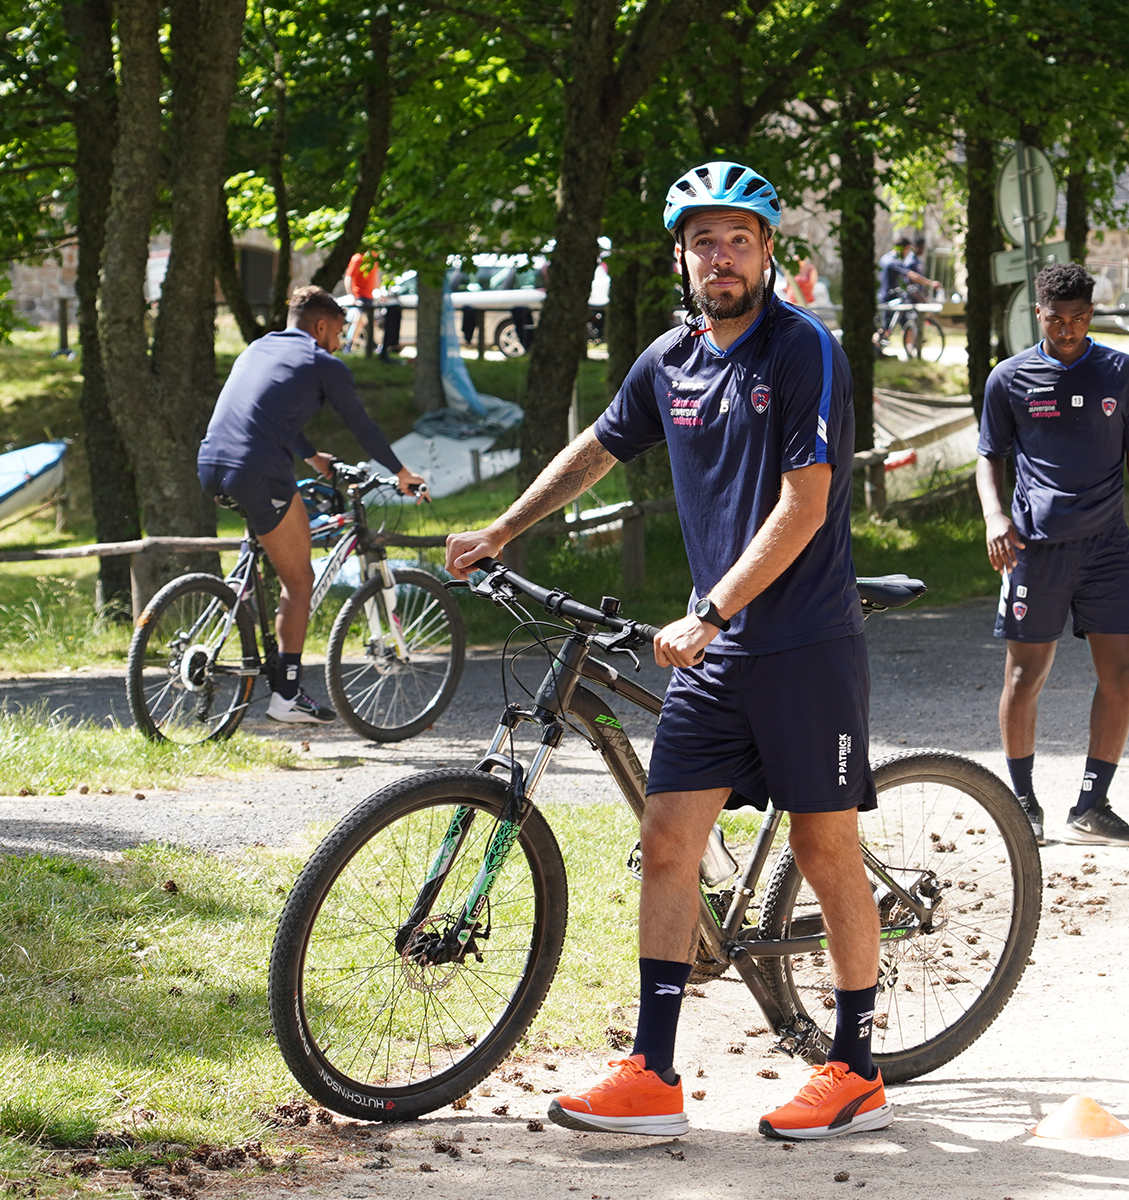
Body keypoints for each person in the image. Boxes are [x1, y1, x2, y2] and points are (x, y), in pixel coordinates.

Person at [445, 161, 891, 1142]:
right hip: (717, 653)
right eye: (703, 241)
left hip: (801, 644)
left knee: (825, 850)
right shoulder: (671, 360)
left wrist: (715, 611)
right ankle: (651, 1072)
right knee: (665, 845)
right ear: (680, 256)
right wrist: (504, 527)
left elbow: (804, 503)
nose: (720, 257)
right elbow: (600, 447)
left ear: (768, 250)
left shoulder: (800, 351)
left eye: (738, 239)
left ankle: (855, 1068)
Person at [976, 261, 1129, 848]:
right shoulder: (1009, 378)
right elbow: (989, 457)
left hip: (1108, 548)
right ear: (1038, 313)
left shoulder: (1123, 373)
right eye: (1057, 319)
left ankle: (1091, 804)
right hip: (1035, 550)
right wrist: (994, 517)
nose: (1067, 329)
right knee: (1025, 674)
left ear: (1092, 314)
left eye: (1079, 319)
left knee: (1124, 672)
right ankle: (1022, 802)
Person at [197, 285, 425, 723]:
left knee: (276, 547)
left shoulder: (258, 350)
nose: (339, 343)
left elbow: (266, 412)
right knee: (299, 581)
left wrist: (312, 456)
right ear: (321, 326)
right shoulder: (323, 362)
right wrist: (401, 471)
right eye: (339, 333)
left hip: (211, 465)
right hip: (261, 470)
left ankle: (237, 614)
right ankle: (287, 695)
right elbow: (360, 423)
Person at [341, 252, 381, 353]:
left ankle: (373, 345)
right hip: (360, 296)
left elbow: (375, 276)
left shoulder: (374, 257)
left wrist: (378, 292)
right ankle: (349, 345)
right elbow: (348, 278)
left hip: (370, 296)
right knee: (358, 321)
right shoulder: (358, 258)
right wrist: (351, 296)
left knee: (368, 322)